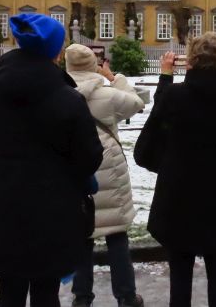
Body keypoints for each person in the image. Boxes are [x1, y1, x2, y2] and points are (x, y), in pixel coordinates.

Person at [0, 14, 104, 307]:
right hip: (53, 210)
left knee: (9, 291)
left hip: (4, 203)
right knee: (46, 293)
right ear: (56, 52)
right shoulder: (68, 98)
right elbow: (89, 157)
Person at [134, 33, 216, 307]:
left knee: (180, 271)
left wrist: (166, 75)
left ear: (192, 60)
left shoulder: (175, 94)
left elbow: (158, 121)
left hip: (180, 188)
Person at [65, 44, 146, 307]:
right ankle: (126, 296)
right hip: (108, 169)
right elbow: (137, 103)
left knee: (81, 237)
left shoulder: (60, 94)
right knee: (116, 236)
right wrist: (114, 78)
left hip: (76, 172)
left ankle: (82, 297)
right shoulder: (108, 95)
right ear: (93, 65)